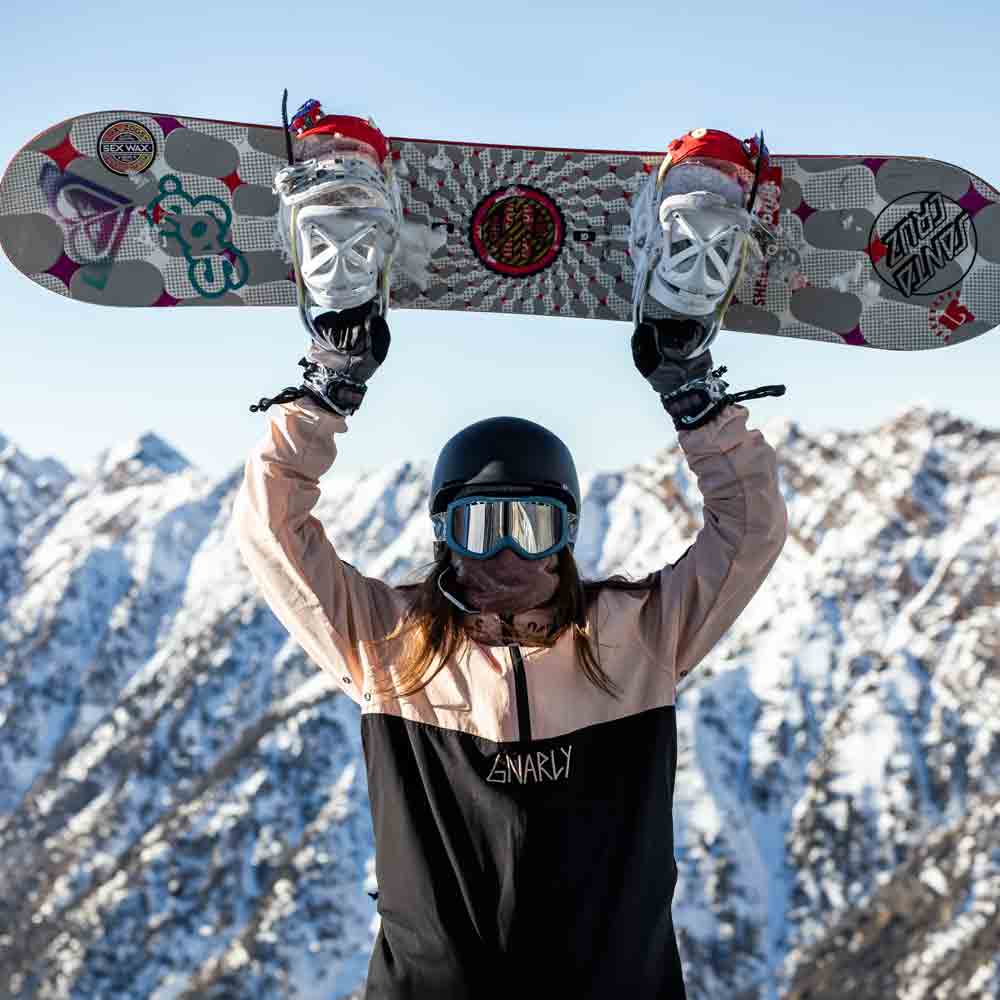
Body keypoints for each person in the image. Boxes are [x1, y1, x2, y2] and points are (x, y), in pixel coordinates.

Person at [234, 102, 788, 999]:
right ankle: (344, 287)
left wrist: (688, 389)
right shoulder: (391, 649)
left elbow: (750, 529)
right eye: (478, 524)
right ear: (442, 537)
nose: (504, 554)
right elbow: (271, 531)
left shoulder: (637, 638)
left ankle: (683, 303)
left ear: (567, 537)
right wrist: (333, 382)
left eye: (531, 525)